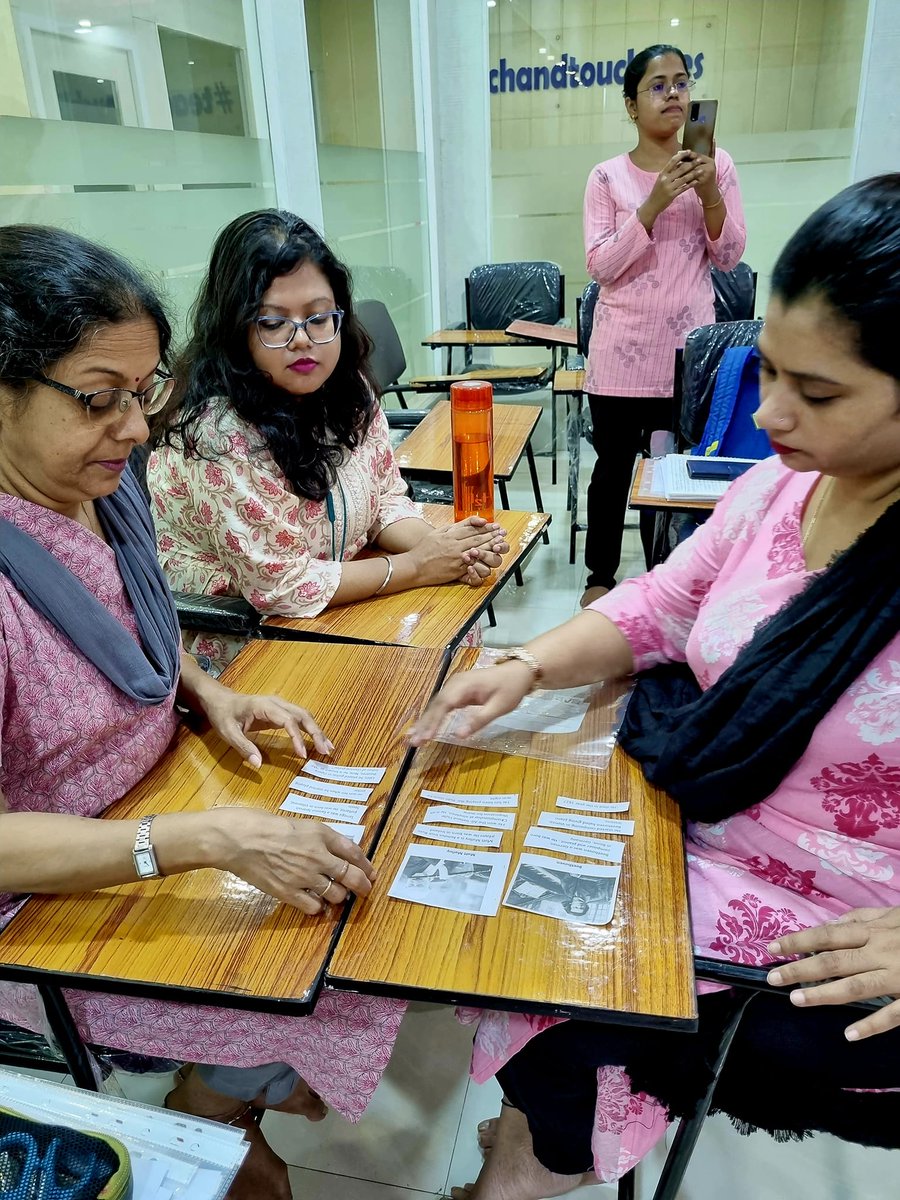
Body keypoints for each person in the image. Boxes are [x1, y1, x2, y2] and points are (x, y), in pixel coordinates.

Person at [410, 174, 900, 1199]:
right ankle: (539, 1145)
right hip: (697, 832)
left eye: (817, 394)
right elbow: (663, 605)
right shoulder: (786, 487)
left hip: (839, 941)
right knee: (497, 925)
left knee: (552, 984)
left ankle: (537, 1161)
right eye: (768, 369)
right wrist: (528, 666)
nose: (767, 414)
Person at [0, 224, 408, 1200]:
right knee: (336, 984)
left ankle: (219, 1115)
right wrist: (192, 840)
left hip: (161, 792)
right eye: (101, 401)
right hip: (52, 902)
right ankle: (212, 1119)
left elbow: (134, 621)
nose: (139, 430)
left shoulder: (92, 487)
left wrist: (209, 691)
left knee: (355, 916)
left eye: (141, 395)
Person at [148, 210, 508, 670]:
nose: (303, 340)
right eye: (274, 323)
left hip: (341, 605)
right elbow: (281, 587)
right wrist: (419, 566)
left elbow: (383, 499)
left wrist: (447, 547)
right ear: (236, 331)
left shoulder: (348, 389)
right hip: (247, 645)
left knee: (451, 657)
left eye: (318, 317)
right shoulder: (216, 433)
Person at [581, 44, 746, 607]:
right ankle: (599, 576)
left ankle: (667, 580)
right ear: (631, 105)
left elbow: (728, 257)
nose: (673, 93)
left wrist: (708, 192)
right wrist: (652, 204)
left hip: (687, 359)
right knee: (612, 472)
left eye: (681, 82)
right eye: (657, 85)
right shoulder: (606, 177)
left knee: (676, 477)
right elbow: (601, 265)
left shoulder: (716, 166)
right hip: (621, 355)